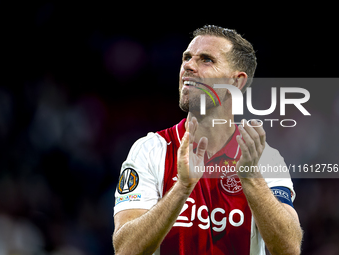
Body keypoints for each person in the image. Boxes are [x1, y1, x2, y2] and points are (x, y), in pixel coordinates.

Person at [112, 25, 303, 255]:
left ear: (236, 82)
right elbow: (125, 249)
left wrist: (252, 179)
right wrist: (182, 188)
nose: (188, 66)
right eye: (187, 57)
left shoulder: (263, 157)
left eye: (206, 60)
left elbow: (289, 249)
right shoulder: (151, 150)